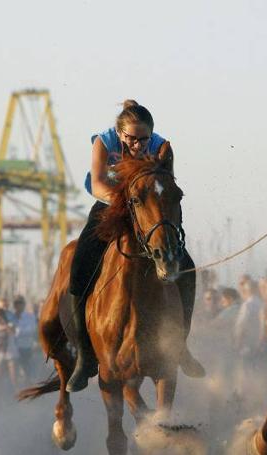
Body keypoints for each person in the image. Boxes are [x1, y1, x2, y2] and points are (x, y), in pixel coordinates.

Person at [64, 100, 203, 392]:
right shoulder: (104, 142)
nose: (138, 145)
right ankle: (86, 357)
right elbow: (99, 183)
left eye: (143, 139)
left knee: (187, 267)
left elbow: (166, 184)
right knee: (80, 266)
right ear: (120, 133)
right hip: (110, 205)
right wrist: (123, 201)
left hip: (151, 214)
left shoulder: (163, 147)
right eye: (131, 139)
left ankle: (181, 346)